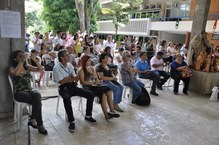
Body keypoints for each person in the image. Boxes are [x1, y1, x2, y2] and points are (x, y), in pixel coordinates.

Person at [53, 49, 97, 132]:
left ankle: (88, 115)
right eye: (66, 55)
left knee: (90, 94)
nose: (68, 56)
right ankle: (71, 121)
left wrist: (73, 76)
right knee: (66, 98)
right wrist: (70, 78)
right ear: (61, 57)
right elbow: (61, 81)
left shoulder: (69, 65)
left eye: (68, 54)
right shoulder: (56, 67)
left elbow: (75, 78)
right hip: (63, 88)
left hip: (72, 86)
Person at [9, 50, 48, 135]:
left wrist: (35, 60)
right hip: (19, 92)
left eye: (23, 56)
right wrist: (22, 60)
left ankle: (33, 119)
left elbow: (41, 70)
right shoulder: (12, 68)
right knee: (37, 102)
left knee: (37, 94)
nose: (22, 57)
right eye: (20, 56)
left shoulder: (28, 67)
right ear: (15, 59)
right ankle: (40, 125)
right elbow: (16, 73)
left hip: (29, 90)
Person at [78, 55, 120, 120]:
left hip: (94, 85)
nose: (90, 61)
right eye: (88, 60)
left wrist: (98, 81)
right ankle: (106, 115)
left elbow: (96, 78)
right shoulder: (81, 70)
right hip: (86, 87)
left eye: (90, 60)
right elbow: (83, 82)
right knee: (102, 93)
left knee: (108, 90)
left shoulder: (92, 68)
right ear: (84, 61)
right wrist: (93, 83)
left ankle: (111, 111)